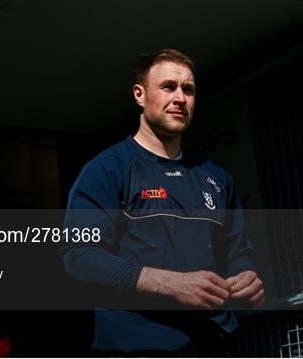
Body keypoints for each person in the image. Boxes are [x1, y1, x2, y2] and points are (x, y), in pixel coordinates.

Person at [61, 49, 264, 356]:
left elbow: (237, 252)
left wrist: (247, 277)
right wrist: (170, 283)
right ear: (139, 95)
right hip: (136, 344)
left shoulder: (216, 177)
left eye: (189, 89)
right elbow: (79, 255)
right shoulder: (108, 169)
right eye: (168, 87)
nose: (181, 97)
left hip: (214, 343)